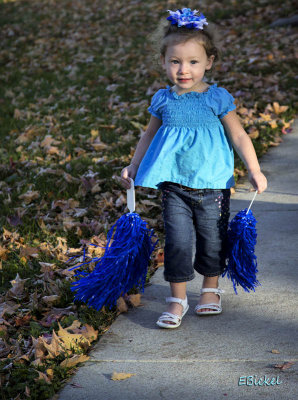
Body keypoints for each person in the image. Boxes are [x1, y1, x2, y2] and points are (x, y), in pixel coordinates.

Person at [120, 8, 267, 328]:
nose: (183, 69)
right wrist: (133, 166)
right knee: (178, 241)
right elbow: (149, 135)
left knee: (212, 240)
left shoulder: (217, 98)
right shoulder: (163, 100)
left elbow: (239, 135)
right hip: (174, 185)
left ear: (209, 62)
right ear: (163, 62)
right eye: (175, 61)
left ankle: (211, 290)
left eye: (193, 61)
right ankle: (177, 298)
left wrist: (254, 170)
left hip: (212, 185)